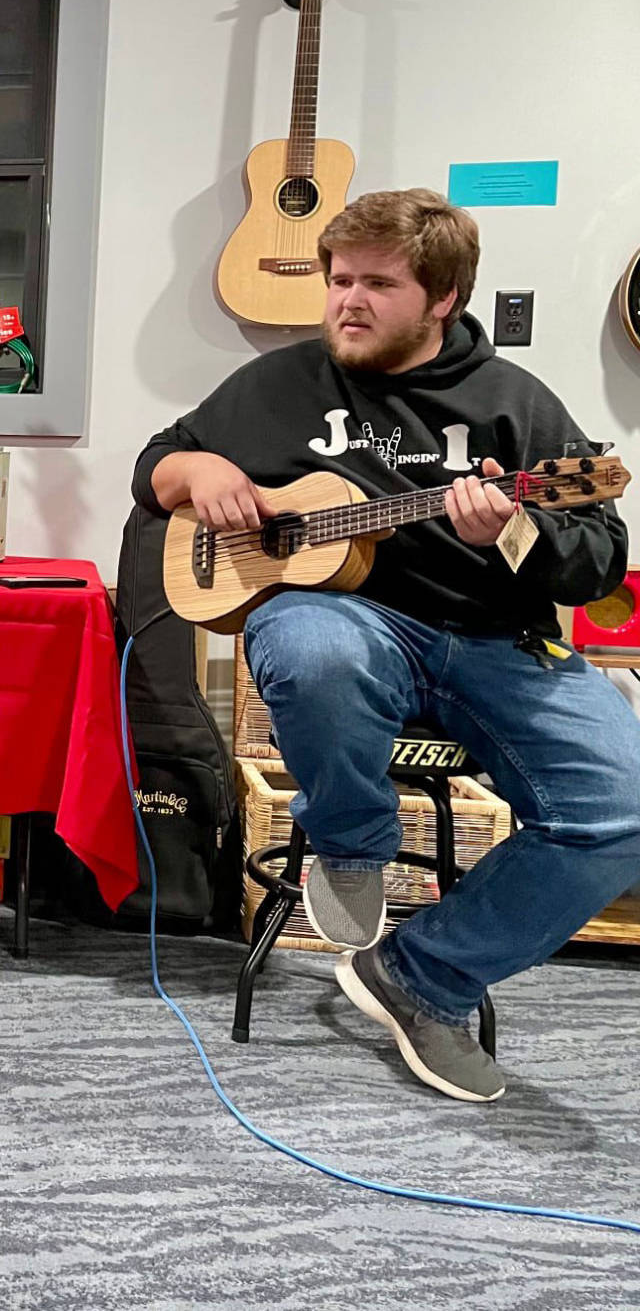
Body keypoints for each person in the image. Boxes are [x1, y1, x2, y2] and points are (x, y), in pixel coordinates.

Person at [134, 189, 640, 1103]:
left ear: (444, 297)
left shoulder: (514, 404)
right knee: (310, 644)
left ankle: (423, 975)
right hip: (348, 627)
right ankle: (354, 848)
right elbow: (158, 463)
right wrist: (200, 470)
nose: (346, 301)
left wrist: (509, 535)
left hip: (493, 643)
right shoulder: (283, 383)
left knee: (624, 807)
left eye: (378, 283)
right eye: (338, 279)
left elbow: (600, 555)